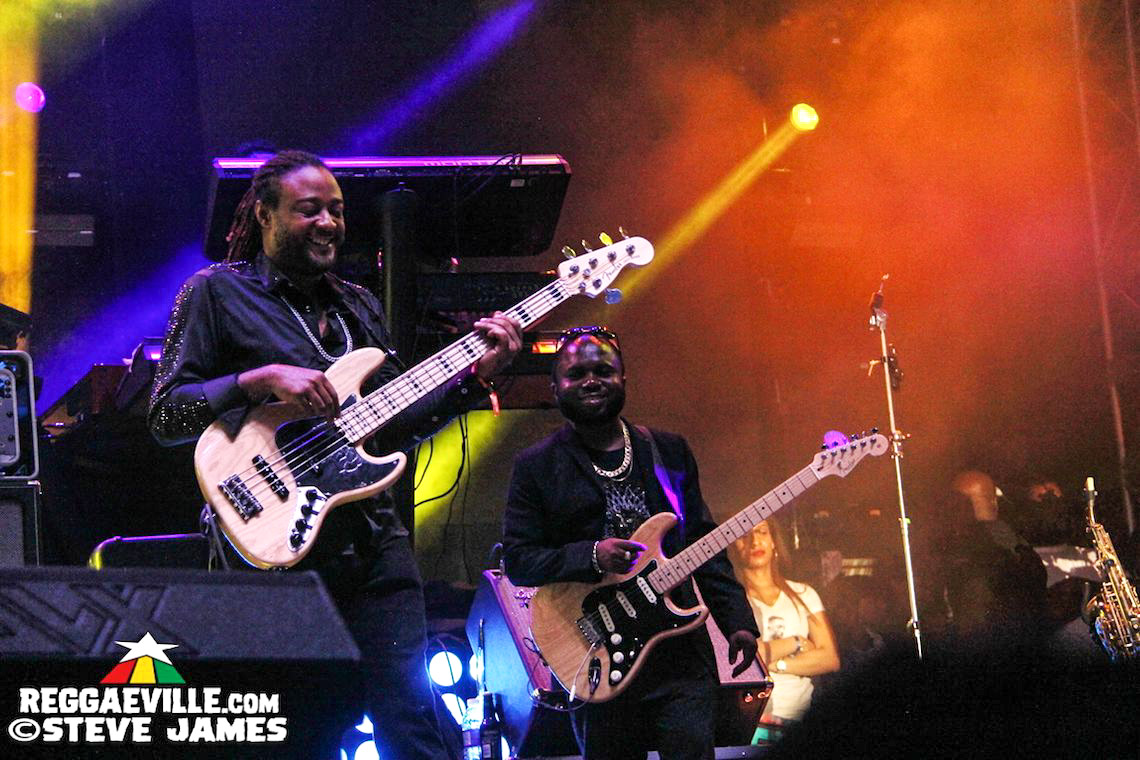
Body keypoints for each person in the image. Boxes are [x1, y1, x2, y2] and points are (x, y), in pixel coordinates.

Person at [148, 149, 522, 760]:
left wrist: (476, 378)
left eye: (338, 211)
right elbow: (167, 416)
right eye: (310, 210)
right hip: (273, 551)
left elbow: (395, 426)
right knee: (296, 728)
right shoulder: (217, 293)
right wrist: (258, 378)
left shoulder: (359, 305)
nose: (329, 223)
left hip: (373, 543)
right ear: (264, 216)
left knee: (411, 724)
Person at [501, 326, 759, 760]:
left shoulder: (668, 450)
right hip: (596, 652)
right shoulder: (536, 466)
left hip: (678, 654)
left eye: (604, 370)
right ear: (555, 387)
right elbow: (520, 561)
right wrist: (590, 555)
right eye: (576, 373)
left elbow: (703, 542)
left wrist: (738, 620)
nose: (591, 381)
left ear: (624, 379)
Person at [731, 520, 840, 722]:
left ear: (774, 542)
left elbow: (829, 658)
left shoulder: (804, 594)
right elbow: (747, 655)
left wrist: (775, 664)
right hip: (754, 719)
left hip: (799, 717)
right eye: (743, 535)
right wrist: (796, 642)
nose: (754, 541)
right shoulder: (731, 601)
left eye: (762, 532)